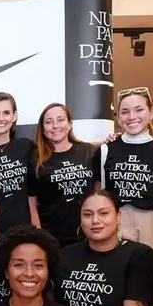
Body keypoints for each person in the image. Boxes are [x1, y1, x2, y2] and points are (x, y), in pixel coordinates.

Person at [101, 87, 153, 255]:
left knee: (152, 268)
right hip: (117, 219)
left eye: (139, 110)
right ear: (118, 116)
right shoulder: (106, 149)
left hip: (152, 220)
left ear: (151, 112)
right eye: (125, 112)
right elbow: (99, 191)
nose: (132, 117)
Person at [33, 103, 100, 247]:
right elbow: (31, 205)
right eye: (49, 122)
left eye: (61, 120)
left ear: (69, 124)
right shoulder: (36, 159)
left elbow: (98, 192)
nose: (55, 125)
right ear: (43, 129)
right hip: (53, 236)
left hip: (88, 233)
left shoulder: (88, 151)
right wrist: (40, 237)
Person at [0, 92, 40, 234]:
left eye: (6, 113)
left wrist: (98, 146)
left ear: (14, 116)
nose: (1, 118)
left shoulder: (26, 146)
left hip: (25, 231)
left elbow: (56, 150)